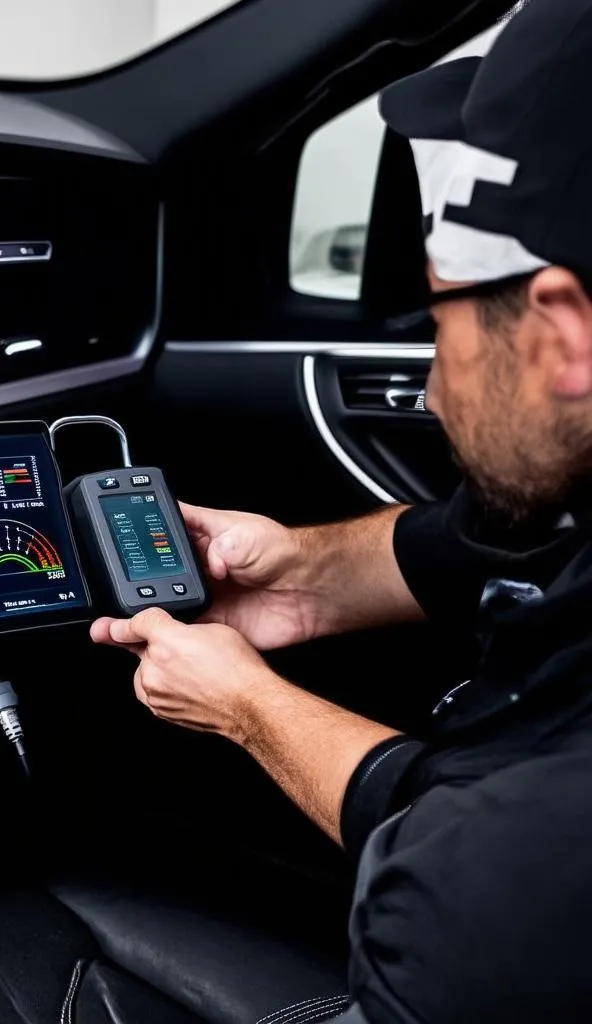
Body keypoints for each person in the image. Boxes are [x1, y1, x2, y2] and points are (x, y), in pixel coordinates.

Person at [92, 0, 592, 1019]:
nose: (435, 392)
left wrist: (245, 706)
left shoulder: (508, 890)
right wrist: (304, 583)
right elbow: (491, 543)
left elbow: (475, 893)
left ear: (565, 332)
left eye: (439, 316)